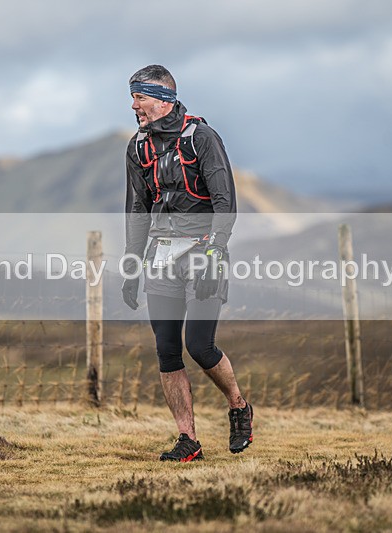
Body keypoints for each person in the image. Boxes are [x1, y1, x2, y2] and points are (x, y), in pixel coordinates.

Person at [121, 64, 253, 462]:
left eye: (139, 98)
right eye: (132, 98)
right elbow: (137, 211)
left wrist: (217, 249)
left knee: (199, 344)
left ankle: (238, 406)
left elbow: (225, 200)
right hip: (161, 257)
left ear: (162, 99)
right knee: (167, 351)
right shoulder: (137, 147)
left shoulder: (202, 138)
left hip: (204, 251)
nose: (133, 106)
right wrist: (131, 265)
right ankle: (187, 439)